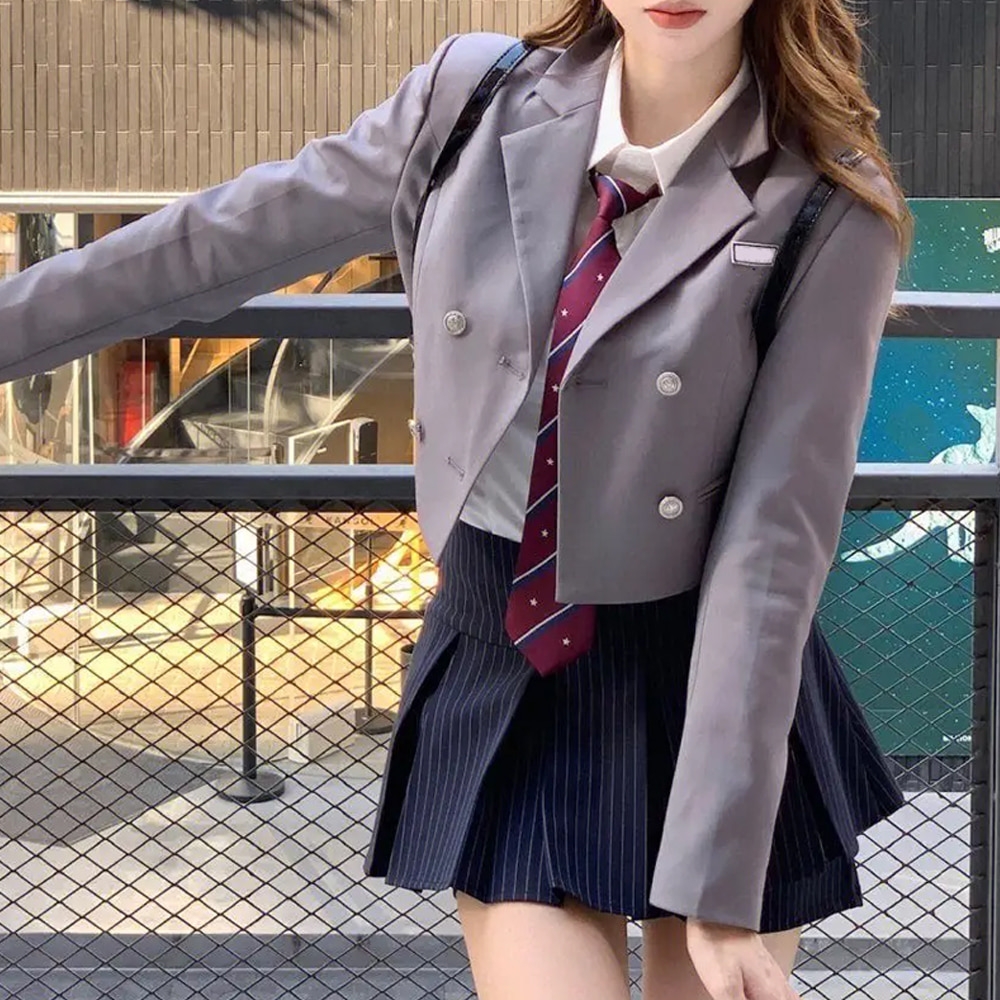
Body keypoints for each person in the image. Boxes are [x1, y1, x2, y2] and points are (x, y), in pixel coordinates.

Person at [0, 0, 912, 997]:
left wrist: (725, 881)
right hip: (508, 647)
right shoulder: (472, 102)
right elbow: (211, 243)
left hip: (714, 682)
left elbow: (772, 541)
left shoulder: (825, 200)